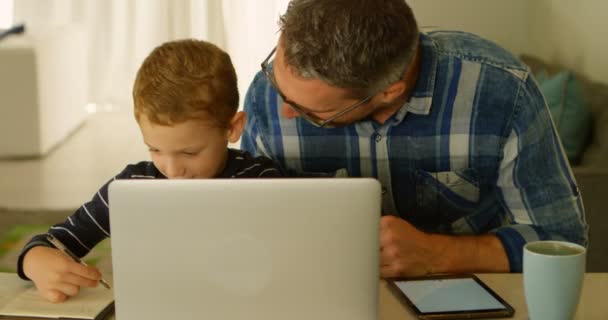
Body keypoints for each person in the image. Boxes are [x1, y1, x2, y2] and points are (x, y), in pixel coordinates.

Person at [241, 0, 588, 277]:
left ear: (389, 92)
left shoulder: (501, 92)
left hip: (466, 292)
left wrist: (438, 255)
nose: (282, 112)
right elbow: (251, 228)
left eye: (311, 113)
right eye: (274, 78)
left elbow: (560, 241)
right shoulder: (265, 98)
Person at [18, 39, 282, 302]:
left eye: (189, 153)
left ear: (233, 128)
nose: (172, 169)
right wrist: (35, 260)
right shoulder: (132, 187)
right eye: (155, 149)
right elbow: (55, 241)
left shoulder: (261, 182)